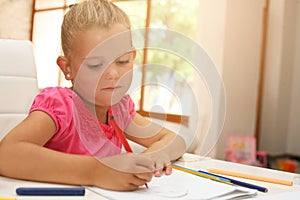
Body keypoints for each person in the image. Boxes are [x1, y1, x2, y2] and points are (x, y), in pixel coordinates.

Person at [0, 0, 186, 191]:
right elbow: (6, 155)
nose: (113, 74)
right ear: (67, 68)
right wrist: (98, 171)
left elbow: (174, 139)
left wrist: (149, 159)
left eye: (122, 61)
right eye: (96, 64)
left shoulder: (119, 109)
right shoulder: (59, 107)